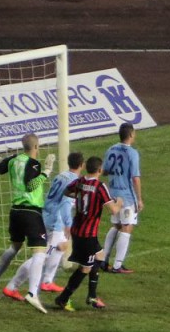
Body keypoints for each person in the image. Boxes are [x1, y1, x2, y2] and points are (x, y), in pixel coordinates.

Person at [0, 134, 55, 313]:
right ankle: (32, 293)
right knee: (40, 250)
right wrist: (46, 171)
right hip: (30, 212)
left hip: (15, 211)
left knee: (15, 246)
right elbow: (31, 185)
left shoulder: (13, 160)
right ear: (36, 146)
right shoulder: (33, 163)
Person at [55, 156, 122, 311]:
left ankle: (92, 296)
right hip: (87, 235)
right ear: (100, 170)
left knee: (99, 256)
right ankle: (63, 298)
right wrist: (119, 202)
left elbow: (66, 191)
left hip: (77, 229)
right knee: (85, 268)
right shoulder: (99, 187)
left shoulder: (79, 182)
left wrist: (80, 197)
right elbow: (113, 210)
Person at [39, 151, 84, 294]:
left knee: (62, 246)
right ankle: (14, 284)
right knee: (43, 255)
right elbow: (65, 204)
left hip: (47, 213)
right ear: (81, 165)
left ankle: (47, 281)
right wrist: (68, 224)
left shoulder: (61, 175)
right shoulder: (74, 182)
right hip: (56, 220)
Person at [101, 123, 142, 274]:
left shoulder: (111, 149)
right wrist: (139, 199)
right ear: (130, 135)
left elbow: (104, 171)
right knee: (127, 227)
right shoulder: (132, 153)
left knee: (117, 226)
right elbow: (135, 178)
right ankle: (117, 266)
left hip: (113, 194)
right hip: (126, 196)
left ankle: (103, 261)